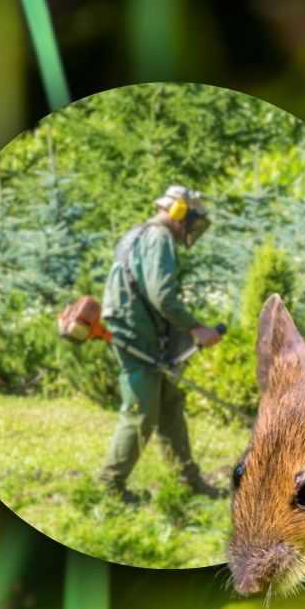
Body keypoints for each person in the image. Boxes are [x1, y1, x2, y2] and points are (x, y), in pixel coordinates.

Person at [97, 184, 224, 502]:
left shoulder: (137, 235)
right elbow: (162, 295)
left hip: (148, 338)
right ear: (181, 213)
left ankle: (188, 482)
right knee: (141, 413)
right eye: (192, 219)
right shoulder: (159, 237)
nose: (191, 228)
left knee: (169, 407)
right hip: (137, 339)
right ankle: (109, 487)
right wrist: (196, 328)